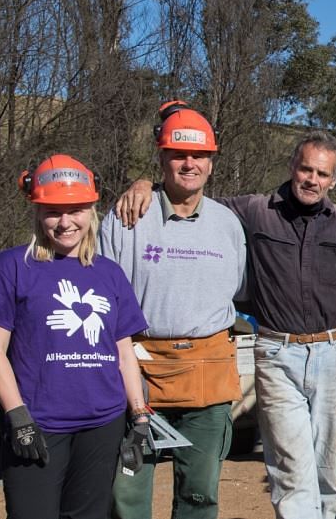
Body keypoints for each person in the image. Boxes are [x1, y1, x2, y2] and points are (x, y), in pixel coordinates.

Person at [113, 131, 336, 519]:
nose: (312, 179)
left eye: (322, 173)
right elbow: (192, 196)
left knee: (328, 470)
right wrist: (148, 184)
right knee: (292, 471)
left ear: (334, 180)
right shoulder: (252, 210)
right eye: (306, 168)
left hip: (333, 353)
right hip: (277, 353)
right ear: (292, 167)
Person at [0, 154, 150, 519]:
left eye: (76, 210)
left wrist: (141, 415)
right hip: (38, 424)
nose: (65, 222)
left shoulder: (110, 274)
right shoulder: (12, 267)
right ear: (36, 210)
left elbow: (124, 352)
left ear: (92, 209)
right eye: (53, 211)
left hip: (103, 424)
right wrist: (17, 416)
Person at [100, 101, 248, 519]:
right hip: (137, 373)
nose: (189, 164)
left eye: (199, 155)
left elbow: (237, 290)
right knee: (126, 496)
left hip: (208, 373)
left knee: (200, 494)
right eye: (179, 154)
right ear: (162, 158)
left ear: (211, 162)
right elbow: (105, 296)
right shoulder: (127, 217)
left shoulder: (227, 224)